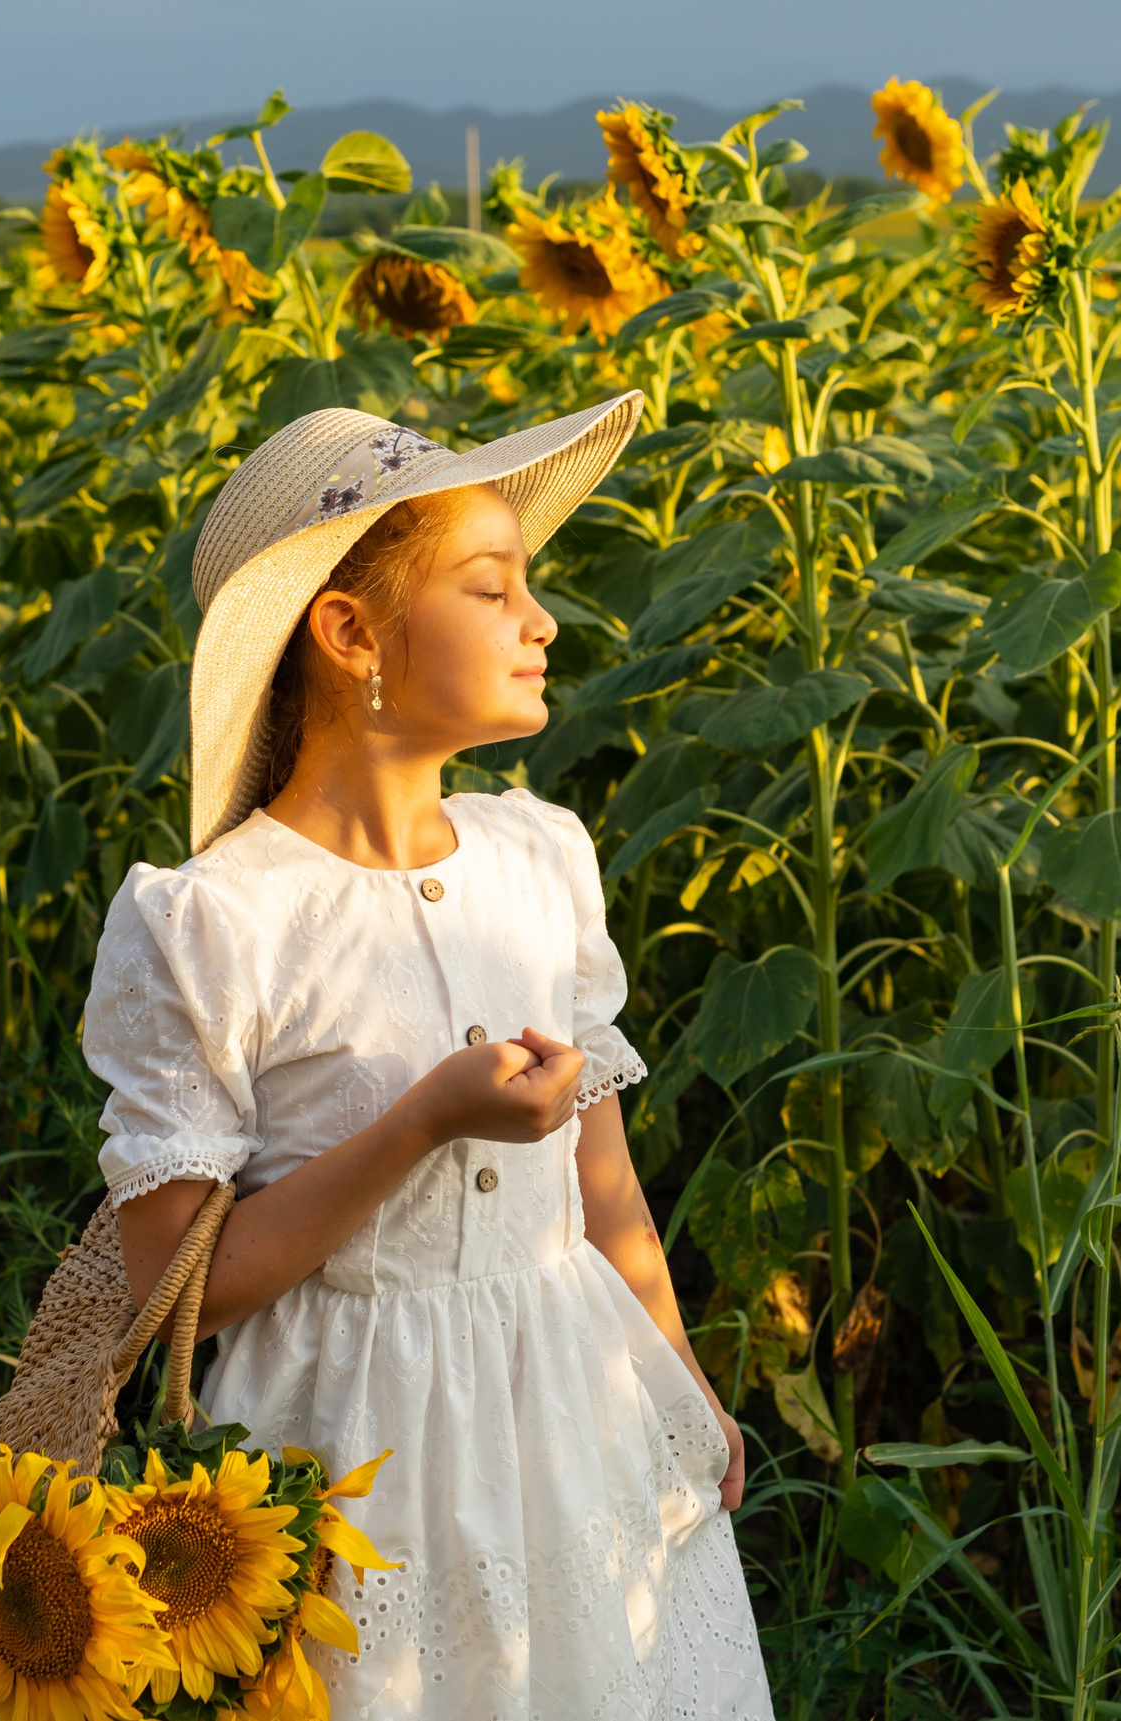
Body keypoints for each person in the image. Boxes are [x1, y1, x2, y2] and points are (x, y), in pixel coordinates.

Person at [84, 394, 775, 1719]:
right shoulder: (218, 917)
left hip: (573, 1401)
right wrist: (421, 1123)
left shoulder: (540, 858)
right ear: (350, 635)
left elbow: (603, 1177)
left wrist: (677, 1373)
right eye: (491, 587)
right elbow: (178, 1287)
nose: (544, 620)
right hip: (351, 1442)